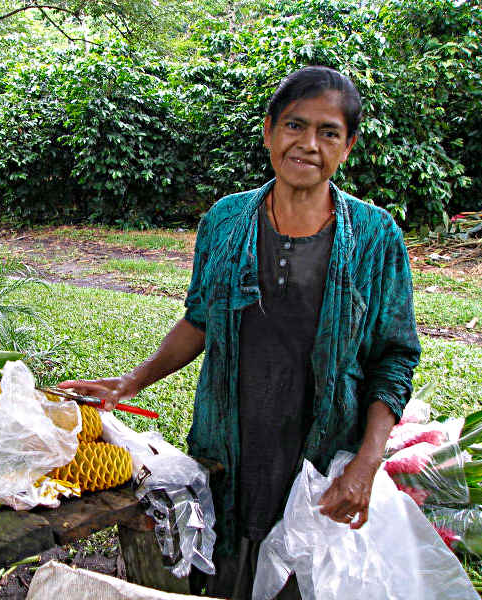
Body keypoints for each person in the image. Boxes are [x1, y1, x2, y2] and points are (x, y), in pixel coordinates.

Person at [60, 66, 420, 599]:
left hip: (318, 458)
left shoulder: (374, 236)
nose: (308, 144)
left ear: (349, 145)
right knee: (225, 570)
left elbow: (394, 357)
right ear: (270, 129)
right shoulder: (226, 220)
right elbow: (201, 318)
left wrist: (365, 464)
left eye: (329, 132)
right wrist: (130, 383)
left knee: (302, 580)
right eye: (295, 126)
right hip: (231, 445)